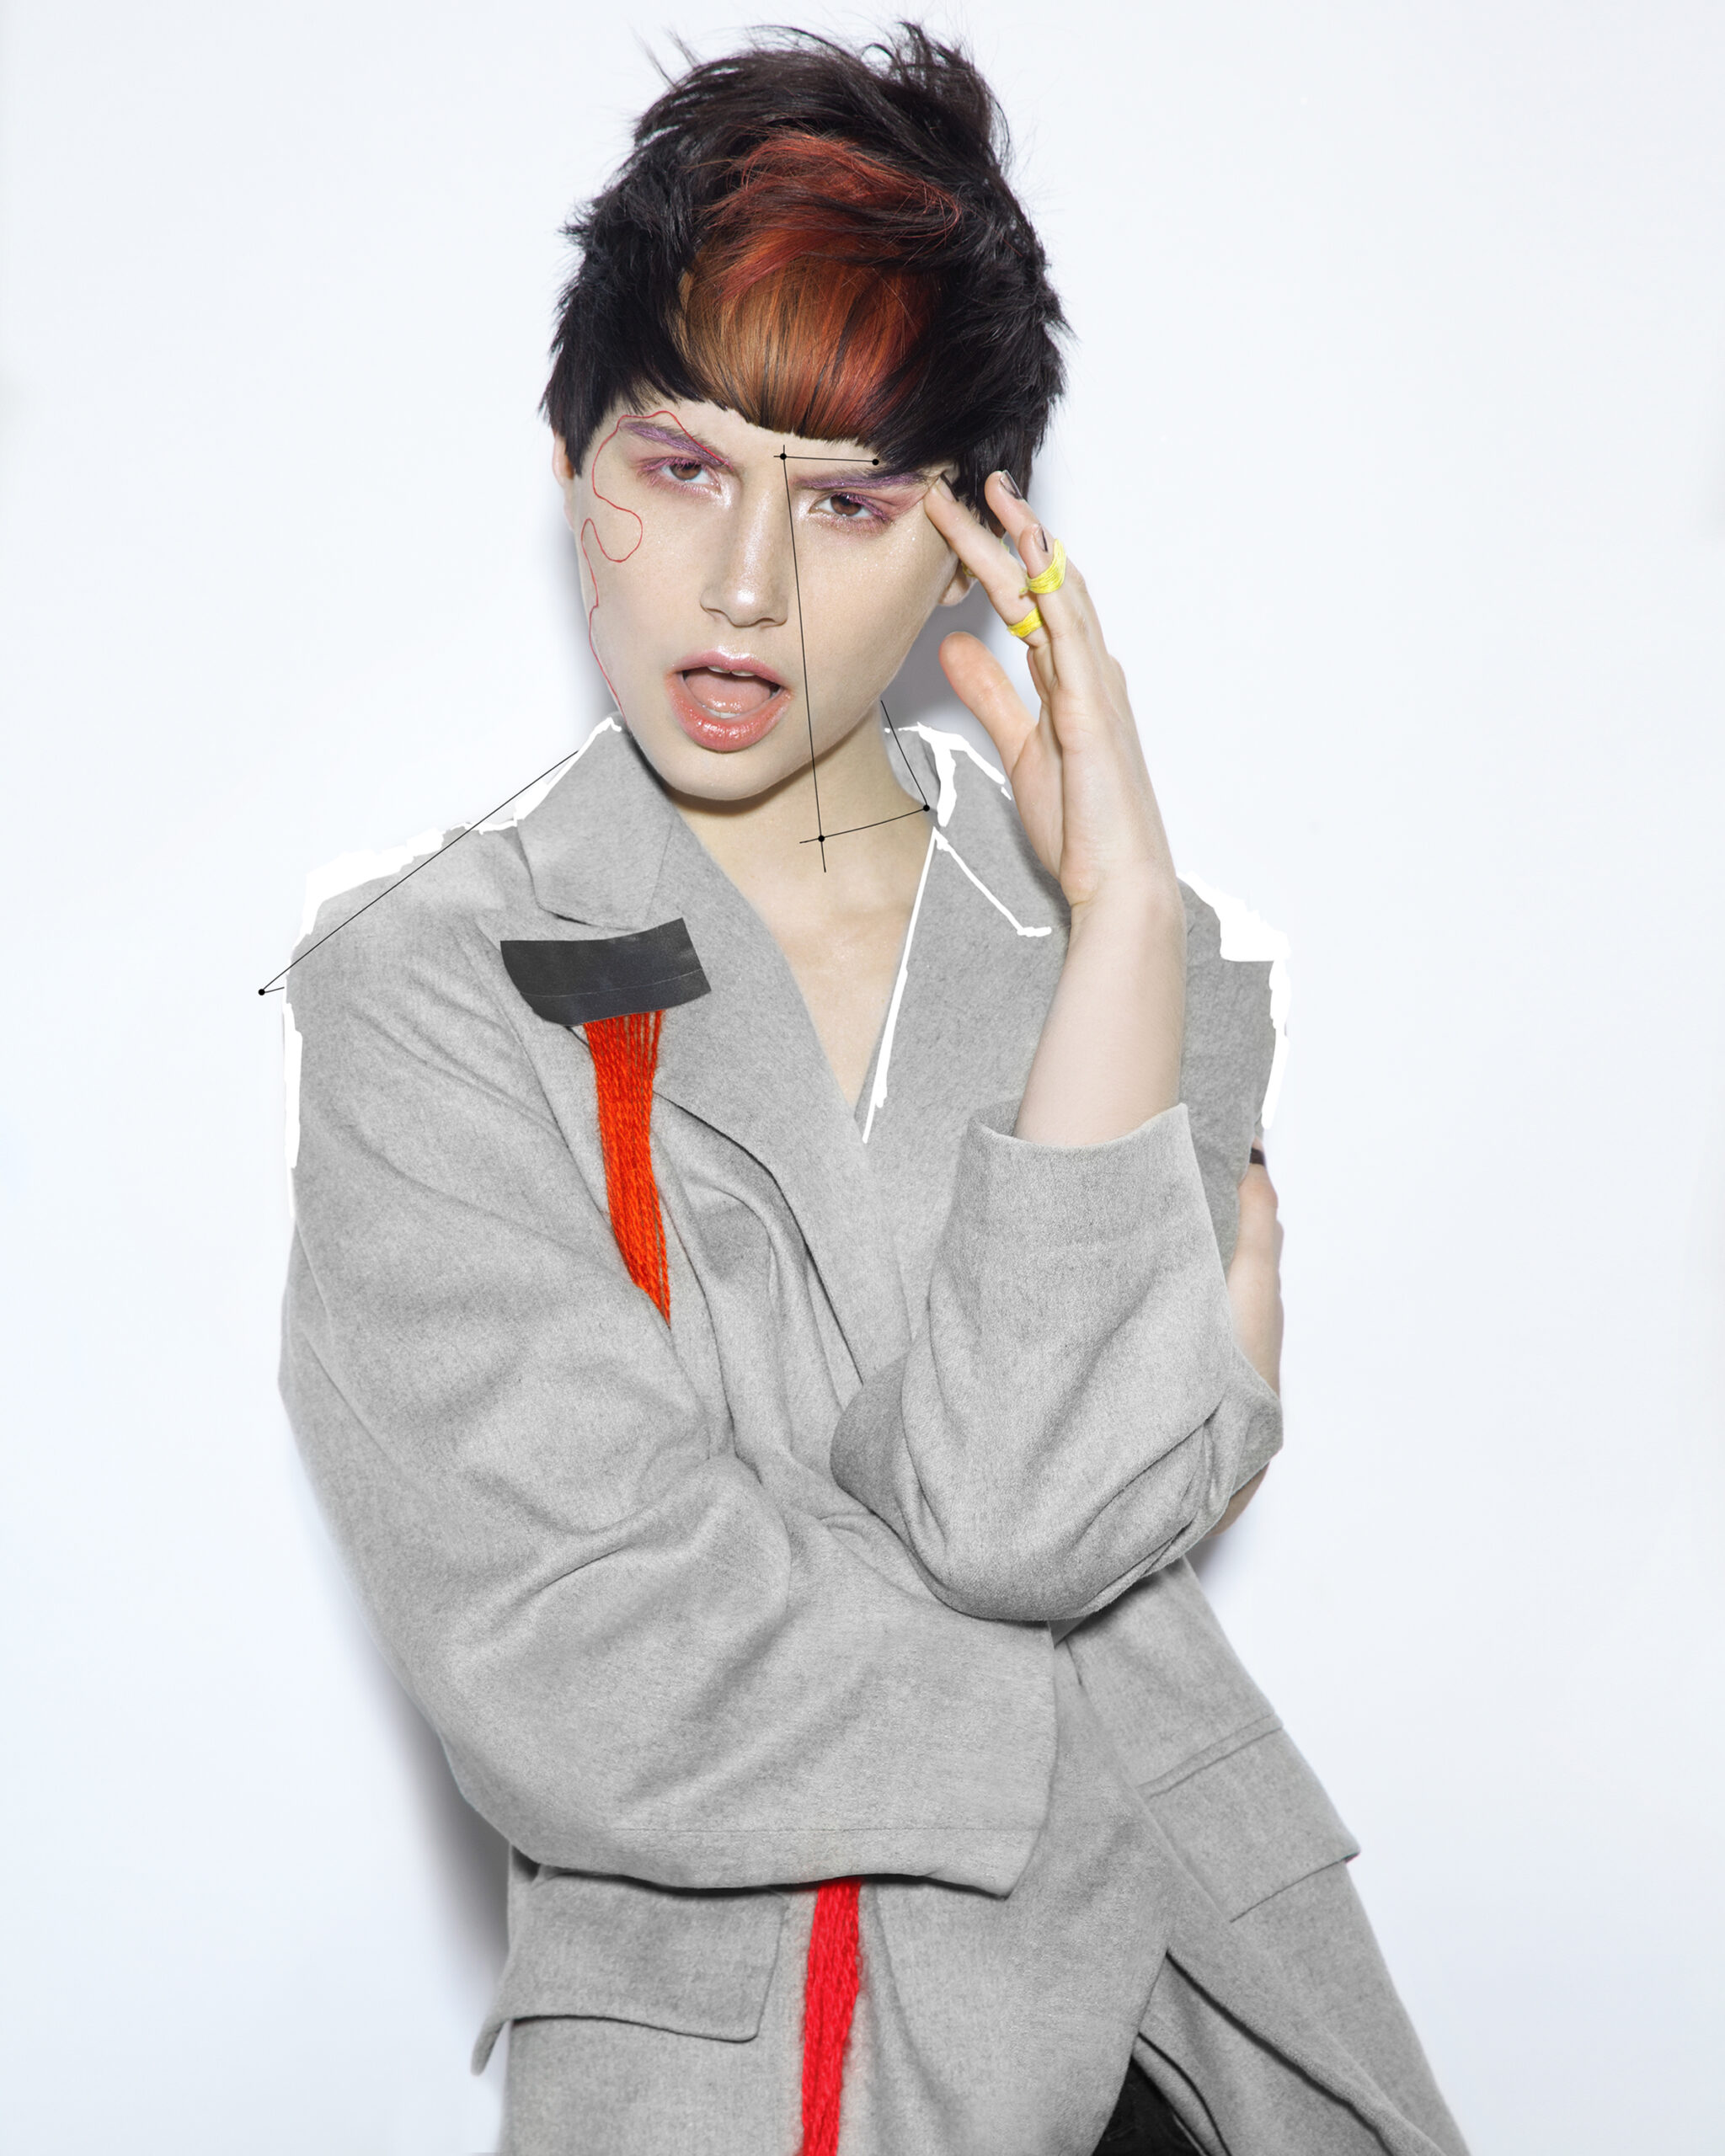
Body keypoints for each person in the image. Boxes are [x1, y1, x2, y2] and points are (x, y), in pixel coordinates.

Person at [280, 26, 1468, 2156]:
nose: (745, 584)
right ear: (568, 463)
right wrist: (1120, 1600)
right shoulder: (431, 985)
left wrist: (1119, 919)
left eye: (845, 502)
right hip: (740, 2092)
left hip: (1197, 2052)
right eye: (678, 468)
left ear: (980, 543)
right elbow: (591, 1656)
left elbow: (1023, 1512)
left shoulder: (1140, 961)